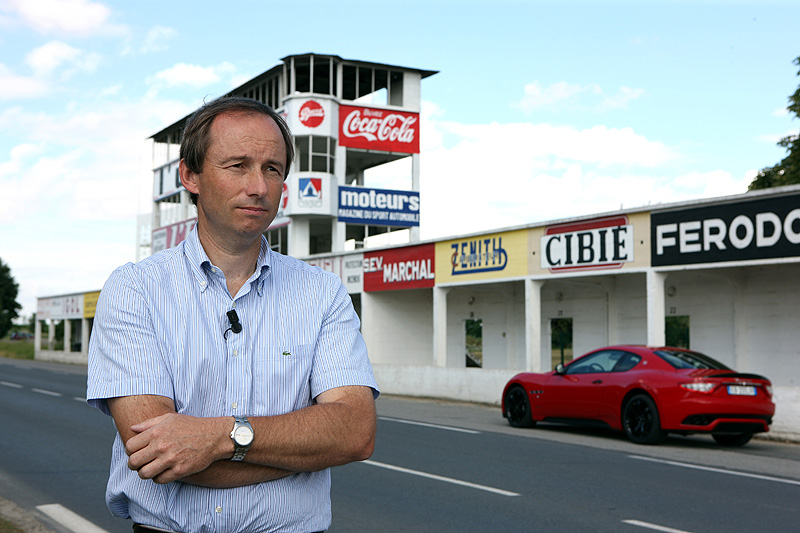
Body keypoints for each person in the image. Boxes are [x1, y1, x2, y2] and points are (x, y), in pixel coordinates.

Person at [87, 96, 379, 533]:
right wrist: (302, 451)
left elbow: (355, 432)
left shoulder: (323, 294)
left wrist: (219, 437)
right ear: (191, 175)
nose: (259, 186)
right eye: (237, 165)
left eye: (272, 168)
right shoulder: (135, 290)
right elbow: (158, 455)